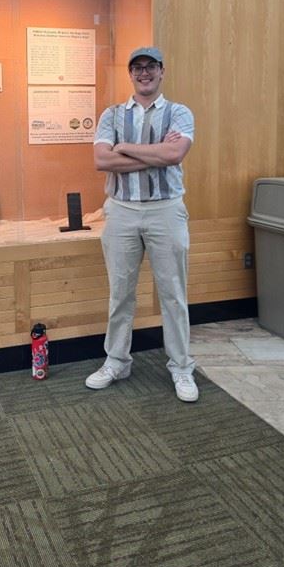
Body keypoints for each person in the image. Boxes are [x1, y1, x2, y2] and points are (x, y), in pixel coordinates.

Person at [85, 46, 198, 402]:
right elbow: (102, 161)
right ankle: (117, 361)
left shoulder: (179, 113)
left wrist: (125, 148)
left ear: (162, 71)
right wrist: (152, 155)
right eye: (138, 68)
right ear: (130, 73)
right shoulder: (112, 114)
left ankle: (181, 368)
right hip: (121, 211)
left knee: (174, 295)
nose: (144, 73)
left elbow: (174, 154)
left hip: (166, 209)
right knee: (121, 293)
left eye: (151, 67)